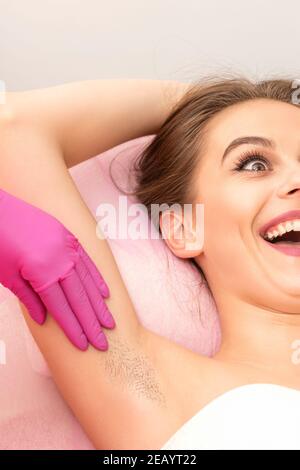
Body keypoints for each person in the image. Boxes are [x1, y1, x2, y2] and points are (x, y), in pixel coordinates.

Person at [1, 76, 300, 450]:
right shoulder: (154, 387)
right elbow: (11, 126)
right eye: (253, 164)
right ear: (184, 228)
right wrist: (194, 97)